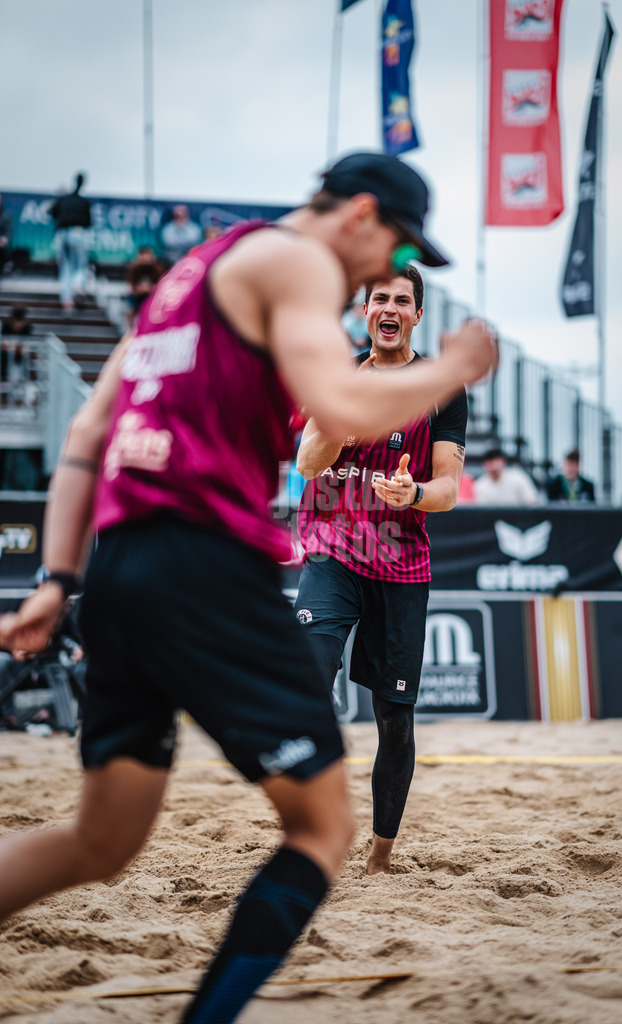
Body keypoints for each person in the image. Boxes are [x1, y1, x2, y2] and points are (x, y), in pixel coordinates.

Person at [0, 150, 497, 1024]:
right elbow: (340, 410)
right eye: (388, 253)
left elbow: (86, 430)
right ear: (361, 214)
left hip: (117, 568)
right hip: (205, 564)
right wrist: (454, 364)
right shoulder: (296, 259)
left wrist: (56, 577)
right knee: (320, 830)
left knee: (99, 839)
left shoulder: (183, 277)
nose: (374, 281)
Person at [295, 265, 469, 875]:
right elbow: (309, 463)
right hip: (332, 548)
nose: (389, 308)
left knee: (394, 720)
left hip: (401, 561)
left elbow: (448, 489)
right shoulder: (338, 374)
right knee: (309, 681)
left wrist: (414, 493)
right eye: (379, 299)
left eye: (401, 300)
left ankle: (379, 857)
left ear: (417, 315)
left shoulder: (440, 388)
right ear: (365, 312)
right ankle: (316, 829)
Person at [50, 173, 92, 311]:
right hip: (77, 233)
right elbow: (88, 222)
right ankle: (78, 285)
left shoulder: (63, 199)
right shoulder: (83, 202)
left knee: (66, 267)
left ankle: (67, 299)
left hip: (62, 234)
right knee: (80, 265)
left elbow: (53, 213)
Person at [473, 447, 539, 506]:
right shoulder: (479, 485)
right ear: (484, 465)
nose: (494, 466)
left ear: (503, 462)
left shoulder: (518, 477)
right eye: (490, 462)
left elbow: (532, 502)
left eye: (497, 461)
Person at [124, 245, 164, 325]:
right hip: (138, 298)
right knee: (130, 304)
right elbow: (132, 287)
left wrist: (150, 289)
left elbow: (161, 286)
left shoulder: (157, 269)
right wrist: (142, 289)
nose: (146, 259)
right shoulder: (134, 269)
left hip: (153, 297)